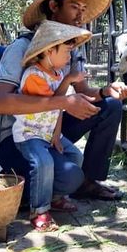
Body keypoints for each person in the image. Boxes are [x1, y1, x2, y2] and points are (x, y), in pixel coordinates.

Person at [0, 0, 127, 202]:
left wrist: (106, 91)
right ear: (54, 6)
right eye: (74, 7)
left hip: (49, 127)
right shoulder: (22, 48)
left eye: (83, 10)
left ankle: (88, 182)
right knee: (68, 177)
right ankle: (18, 185)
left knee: (110, 106)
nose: (80, 15)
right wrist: (62, 103)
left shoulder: (72, 49)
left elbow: (84, 92)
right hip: (15, 136)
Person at [12, 21, 91, 231]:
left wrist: (57, 135)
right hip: (30, 134)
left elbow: (58, 111)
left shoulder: (56, 74)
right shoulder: (34, 76)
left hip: (47, 133)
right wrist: (68, 81)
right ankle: (39, 211)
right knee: (43, 162)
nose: (68, 57)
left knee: (75, 156)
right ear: (49, 51)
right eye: (66, 52)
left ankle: (55, 197)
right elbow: (54, 103)